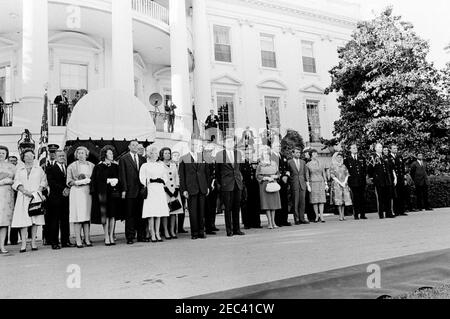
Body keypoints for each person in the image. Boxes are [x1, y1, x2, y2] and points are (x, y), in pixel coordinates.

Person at [11, 149, 48, 253]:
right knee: (23, 221)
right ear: (23, 158)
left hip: (35, 196)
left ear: (34, 157)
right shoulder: (19, 169)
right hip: (23, 196)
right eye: (26, 156)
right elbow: (16, 181)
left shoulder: (39, 169)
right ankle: (23, 243)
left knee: (35, 220)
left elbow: (43, 181)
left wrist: (37, 192)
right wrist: (24, 190)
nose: (29, 158)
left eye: (31, 156)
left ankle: (33, 243)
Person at [179, 136, 211, 240]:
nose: (195, 146)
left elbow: (207, 174)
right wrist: (184, 189)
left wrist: (208, 186)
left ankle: (202, 231)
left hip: (202, 187)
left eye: (196, 144)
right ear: (189, 146)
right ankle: (195, 232)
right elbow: (182, 176)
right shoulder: (184, 158)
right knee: (193, 212)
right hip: (191, 188)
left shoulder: (202, 157)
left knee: (202, 211)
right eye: (192, 144)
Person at [91, 146, 122, 246]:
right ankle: (106, 236)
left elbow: (120, 178)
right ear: (105, 155)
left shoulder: (115, 166)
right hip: (103, 193)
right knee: (105, 216)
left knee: (112, 215)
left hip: (113, 193)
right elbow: (95, 181)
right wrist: (106, 181)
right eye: (110, 153)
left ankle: (112, 235)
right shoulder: (98, 167)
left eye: (112, 154)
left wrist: (116, 181)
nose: (112, 155)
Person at [216, 135, 245, 237]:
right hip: (226, 184)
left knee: (237, 207)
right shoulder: (220, 154)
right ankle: (229, 230)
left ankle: (237, 229)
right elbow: (218, 171)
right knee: (227, 208)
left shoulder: (238, 154)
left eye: (232, 142)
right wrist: (221, 183)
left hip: (237, 183)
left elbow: (239, 168)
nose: (230, 143)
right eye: (228, 142)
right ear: (224, 143)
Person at [119, 140, 147, 245]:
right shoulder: (124, 159)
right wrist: (124, 190)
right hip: (130, 191)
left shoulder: (143, 159)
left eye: (137, 145)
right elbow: (122, 176)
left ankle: (141, 236)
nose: (135, 147)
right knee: (130, 215)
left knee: (141, 214)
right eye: (133, 145)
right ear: (129, 147)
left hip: (141, 191)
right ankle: (130, 237)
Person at [140, 146, 170, 242]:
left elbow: (165, 177)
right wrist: (149, 180)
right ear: (150, 154)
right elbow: (142, 178)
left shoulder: (160, 165)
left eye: (157, 153)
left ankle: (157, 233)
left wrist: (161, 180)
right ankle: (152, 233)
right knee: (151, 213)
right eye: (155, 153)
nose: (157, 155)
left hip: (159, 189)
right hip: (150, 189)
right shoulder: (145, 165)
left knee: (159, 212)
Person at [67, 146, 95, 248]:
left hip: (87, 192)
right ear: (76, 155)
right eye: (78, 153)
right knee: (78, 216)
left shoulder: (92, 165)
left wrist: (89, 181)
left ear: (86, 154)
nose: (80, 155)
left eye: (82, 153)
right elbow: (69, 181)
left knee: (87, 216)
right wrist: (78, 182)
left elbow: (95, 178)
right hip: (77, 192)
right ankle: (78, 239)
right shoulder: (72, 166)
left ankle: (87, 238)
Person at [46, 150, 74, 250]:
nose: (62, 157)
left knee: (65, 220)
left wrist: (68, 189)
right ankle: (54, 242)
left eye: (63, 156)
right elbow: (51, 182)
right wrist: (63, 189)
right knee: (54, 221)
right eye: (60, 156)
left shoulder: (68, 168)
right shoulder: (50, 168)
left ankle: (65, 241)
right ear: (55, 157)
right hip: (55, 198)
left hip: (66, 198)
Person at [367, 143, 397, 219]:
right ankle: (381, 214)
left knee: (388, 197)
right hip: (379, 180)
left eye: (381, 147)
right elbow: (369, 169)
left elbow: (388, 168)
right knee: (380, 198)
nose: (381, 149)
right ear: (376, 149)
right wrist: (373, 177)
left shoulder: (384, 157)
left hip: (386, 180)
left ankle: (388, 213)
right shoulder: (372, 157)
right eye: (379, 147)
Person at [256, 146, 282, 229]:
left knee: (273, 204)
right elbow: (257, 175)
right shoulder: (260, 164)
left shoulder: (274, 163)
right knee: (267, 204)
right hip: (264, 184)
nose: (266, 154)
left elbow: (278, 173)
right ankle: (269, 222)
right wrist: (265, 178)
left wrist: (274, 177)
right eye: (264, 153)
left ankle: (274, 222)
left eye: (267, 153)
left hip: (273, 183)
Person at [160, 147, 183, 239]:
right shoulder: (159, 165)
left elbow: (177, 176)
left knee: (174, 211)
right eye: (165, 153)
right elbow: (161, 178)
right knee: (166, 212)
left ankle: (172, 230)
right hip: (165, 191)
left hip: (174, 191)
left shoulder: (173, 165)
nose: (167, 155)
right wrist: (167, 190)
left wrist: (177, 188)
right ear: (162, 154)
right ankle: (165, 231)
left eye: (169, 153)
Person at [344, 144, 368, 220]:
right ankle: (356, 214)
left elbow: (364, 169)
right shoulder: (347, 159)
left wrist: (364, 178)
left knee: (362, 198)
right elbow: (346, 171)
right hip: (353, 182)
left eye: (356, 148)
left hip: (361, 181)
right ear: (350, 149)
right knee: (355, 198)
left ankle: (363, 214)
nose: (355, 149)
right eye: (353, 148)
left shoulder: (362, 158)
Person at [271, 139, 291, 227]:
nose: (279, 148)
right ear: (272, 147)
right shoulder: (271, 157)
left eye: (279, 146)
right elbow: (273, 169)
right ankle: (278, 220)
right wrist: (281, 176)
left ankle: (284, 220)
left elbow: (287, 168)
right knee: (278, 201)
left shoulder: (283, 156)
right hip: (277, 181)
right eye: (277, 146)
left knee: (284, 200)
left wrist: (286, 175)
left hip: (284, 181)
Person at [287, 147, 309, 225]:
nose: (298, 154)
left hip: (302, 183)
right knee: (295, 202)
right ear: (293, 153)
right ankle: (296, 219)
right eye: (296, 152)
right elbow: (288, 173)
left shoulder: (303, 162)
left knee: (302, 202)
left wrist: (307, 183)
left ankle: (302, 218)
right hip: (294, 184)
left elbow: (305, 173)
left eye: (299, 153)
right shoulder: (289, 162)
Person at [240, 147, 261, 229]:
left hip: (255, 184)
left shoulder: (256, 162)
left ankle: (256, 222)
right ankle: (247, 223)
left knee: (255, 203)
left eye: (250, 153)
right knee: (246, 204)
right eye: (247, 153)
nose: (249, 155)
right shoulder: (242, 163)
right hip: (246, 185)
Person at [0, 146, 15, 254]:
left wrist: (10, 181)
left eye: (3, 153)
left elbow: (17, 179)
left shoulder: (11, 167)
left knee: (4, 222)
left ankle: (2, 246)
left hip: (7, 197)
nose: (1, 155)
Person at [306, 149, 328, 223]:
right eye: (314, 153)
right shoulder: (308, 164)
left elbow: (324, 173)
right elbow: (307, 175)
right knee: (315, 201)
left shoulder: (321, 163)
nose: (315, 155)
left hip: (321, 182)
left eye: (316, 153)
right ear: (311, 155)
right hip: (313, 182)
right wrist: (308, 184)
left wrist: (326, 183)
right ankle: (316, 216)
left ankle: (321, 216)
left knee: (321, 200)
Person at [330, 152, 352, 221]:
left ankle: (343, 214)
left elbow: (347, 174)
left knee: (344, 200)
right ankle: (340, 215)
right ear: (335, 158)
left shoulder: (343, 166)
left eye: (340, 157)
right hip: (337, 185)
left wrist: (344, 182)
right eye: (338, 157)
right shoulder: (333, 166)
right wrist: (340, 183)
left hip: (344, 184)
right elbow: (332, 176)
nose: (339, 159)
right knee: (339, 201)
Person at [203, 145, 218, 234]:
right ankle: (207, 226)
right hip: (206, 185)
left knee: (213, 206)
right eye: (208, 150)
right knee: (207, 207)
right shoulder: (203, 160)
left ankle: (212, 224)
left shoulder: (214, 159)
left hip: (214, 185)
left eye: (211, 150)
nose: (210, 152)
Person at [172, 150, 188, 234]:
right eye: (174, 155)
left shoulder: (182, 164)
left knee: (182, 209)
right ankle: (173, 228)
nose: (176, 157)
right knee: (174, 208)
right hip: (173, 190)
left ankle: (180, 227)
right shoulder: (170, 165)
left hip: (182, 190)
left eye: (178, 155)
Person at [390, 144, 408, 216]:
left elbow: (403, 168)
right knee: (395, 195)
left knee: (402, 194)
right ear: (390, 149)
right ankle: (395, 211)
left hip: (400, 178)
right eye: (394, 148)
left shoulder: (399, 156)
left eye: (396, 148)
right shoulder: (389, 157)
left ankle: (402, 210)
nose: (395, 149)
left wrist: (404, 178)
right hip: (394, 179)